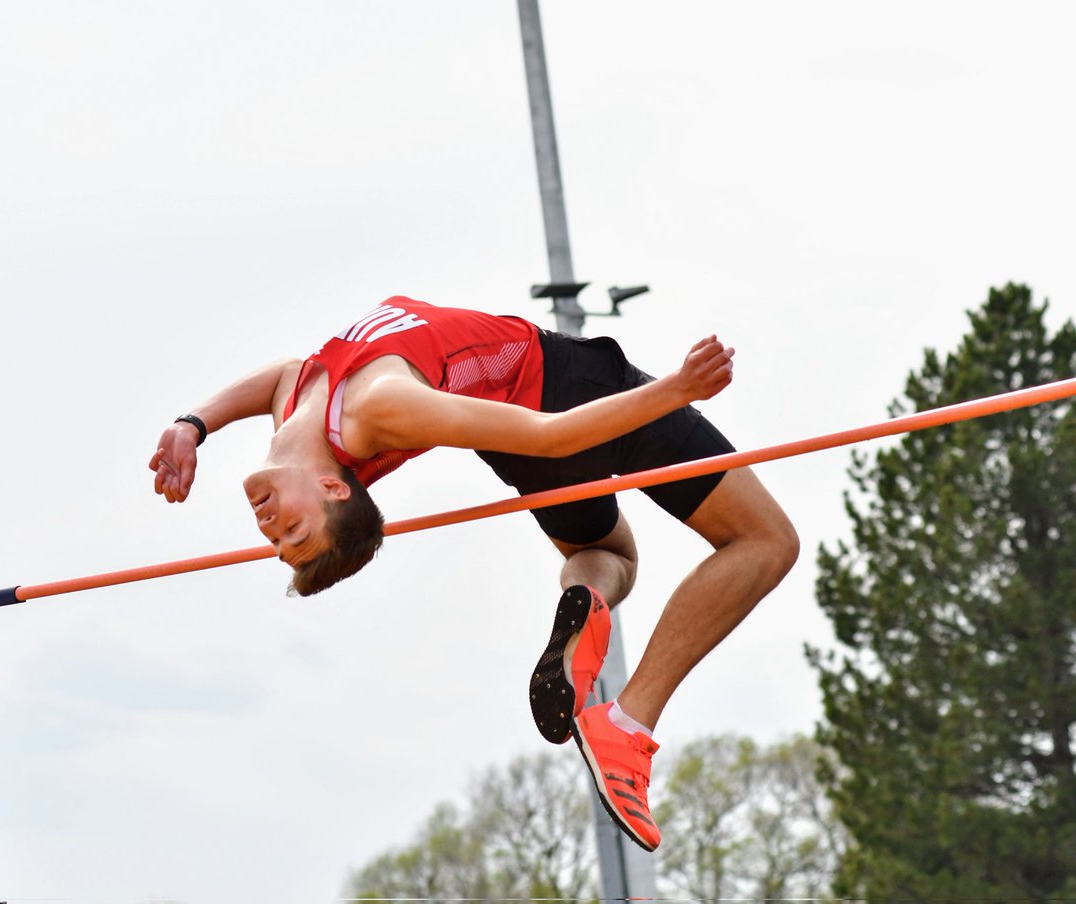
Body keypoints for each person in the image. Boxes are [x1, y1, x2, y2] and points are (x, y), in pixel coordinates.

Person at [149, 296, 799, 851]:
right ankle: (627, 725)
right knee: (765, 542)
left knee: (610, 558)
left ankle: (585, 599)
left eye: (278, 539)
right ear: (333, 489)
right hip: (568, 396)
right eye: (295, 532)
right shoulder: (379, 406)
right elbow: (550, 436)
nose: (271, 528)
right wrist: (675, 391)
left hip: (522, 435)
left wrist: (194, 424)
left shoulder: (296, 403)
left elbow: (281, 373)